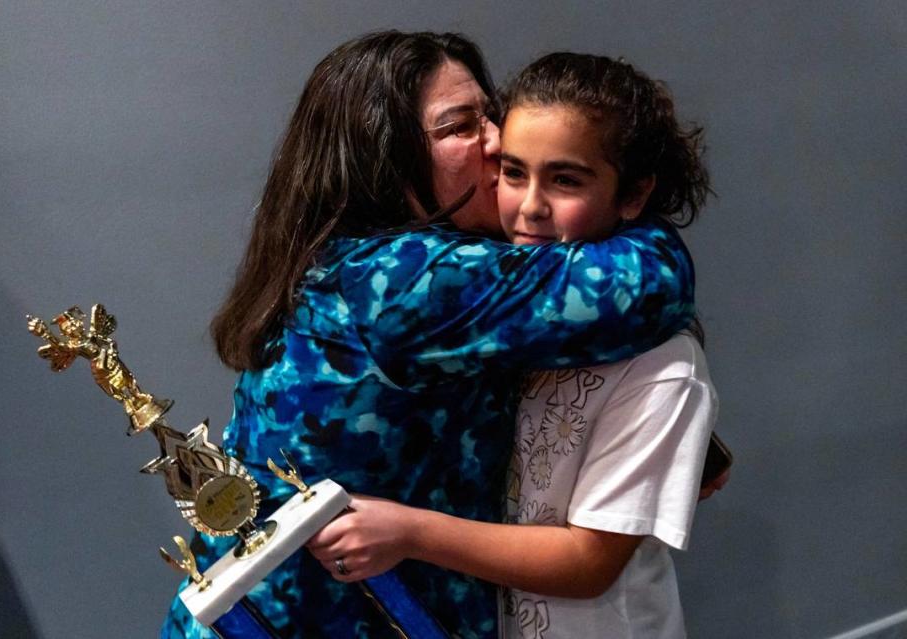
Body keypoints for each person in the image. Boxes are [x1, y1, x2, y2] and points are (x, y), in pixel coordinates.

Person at [161, 32, 697, 639]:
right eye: (460, 127)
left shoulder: (343, 261)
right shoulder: (406, 279)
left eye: (488, 113)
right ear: (383, 158)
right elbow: (651, 285)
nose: (497, 139)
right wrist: (643, 218)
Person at [308, 53, 717, 638]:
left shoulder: (664, 367)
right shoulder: (497, 319)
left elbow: (588, 564)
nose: (529, 206)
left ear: (634, 194)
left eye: (566, 179)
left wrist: (410, 532)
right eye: (513, 172)